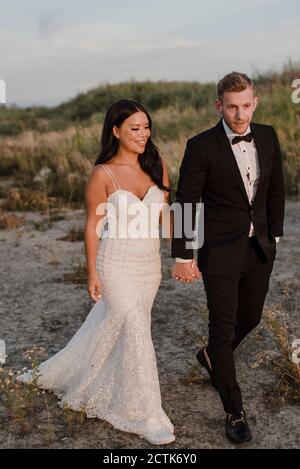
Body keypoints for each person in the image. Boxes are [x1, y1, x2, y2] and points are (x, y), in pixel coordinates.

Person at [18, 99, 175, 446]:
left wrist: (186, 252)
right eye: (135, 128)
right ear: (116, 131)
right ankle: (145, 413)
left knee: (129, 326)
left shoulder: (157, 166)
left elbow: (165, 217)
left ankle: (75, 371)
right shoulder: (102, 174)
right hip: (115, 263)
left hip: (149, 265)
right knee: (132, 324)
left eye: (146, 127)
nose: (144, 134)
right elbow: (92, 226)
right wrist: (92, 272)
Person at [171, 72, 285, 443]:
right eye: (232, 106)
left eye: (246, 105)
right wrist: (183, 254)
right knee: (222, 329)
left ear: (256, 102)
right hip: (218, 252)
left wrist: (276, 234)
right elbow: (186, 202)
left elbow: (276, 186)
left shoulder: (267, 135)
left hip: (259, 248)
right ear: (219, 105)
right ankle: (234, 412)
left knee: (249, 317)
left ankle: (211, 358)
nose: (240, 114)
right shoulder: (201, 146)